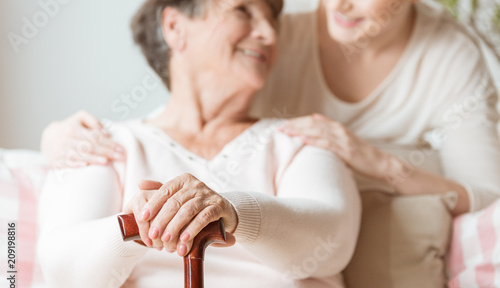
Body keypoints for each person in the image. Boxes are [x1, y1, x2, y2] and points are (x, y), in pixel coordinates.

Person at [36, 0, 361, 288]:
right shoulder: (100, 142)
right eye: (243, 11)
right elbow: (66, 275)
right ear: (175, 27)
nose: (268, 34)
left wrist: (232, 212)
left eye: (272, 21)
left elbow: (329, 246)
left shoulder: (300, 138)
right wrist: (140, 225)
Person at [42, 0, 500, 217]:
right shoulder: (274, 39)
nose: (341, 4)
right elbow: (187, 124)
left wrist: (378, 163)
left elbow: (487, 198)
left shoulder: (451, 56)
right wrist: (55, 140)